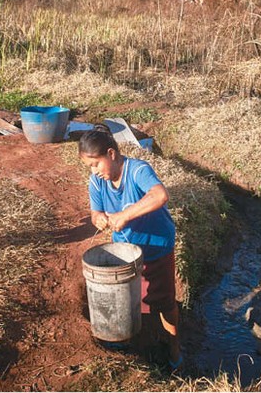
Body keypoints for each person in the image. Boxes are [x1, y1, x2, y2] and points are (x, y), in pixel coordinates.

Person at [78, 124, 183, 371]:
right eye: (89, 167)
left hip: (156, 247)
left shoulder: (137, 171)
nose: (94, 171)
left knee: (165, 302)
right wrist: (99, 219)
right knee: (130, 299)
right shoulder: (96, 182)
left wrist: (125, 215)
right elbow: (95, 213)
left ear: (112, 154)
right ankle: (130, 339)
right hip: (126, 252)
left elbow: (160, 196)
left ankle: (174, 346)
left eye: (96, 164)